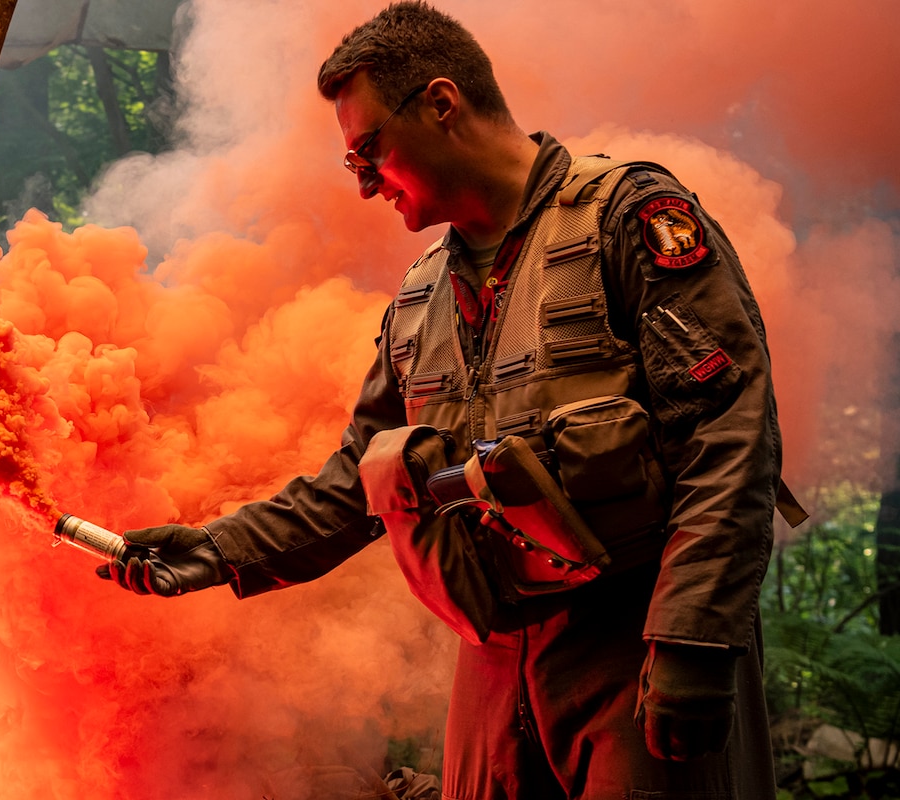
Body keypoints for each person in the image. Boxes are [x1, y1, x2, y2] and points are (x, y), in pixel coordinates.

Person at [97, 3, 804, 797]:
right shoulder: (419, 298)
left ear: (441, 103)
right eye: (350, 163)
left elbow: (729, 436)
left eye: (370, 151)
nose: (363, 183)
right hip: (494, 666)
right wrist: (221, 551)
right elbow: (355, 481)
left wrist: (692, 641)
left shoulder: (628, 220)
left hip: (636, 640)